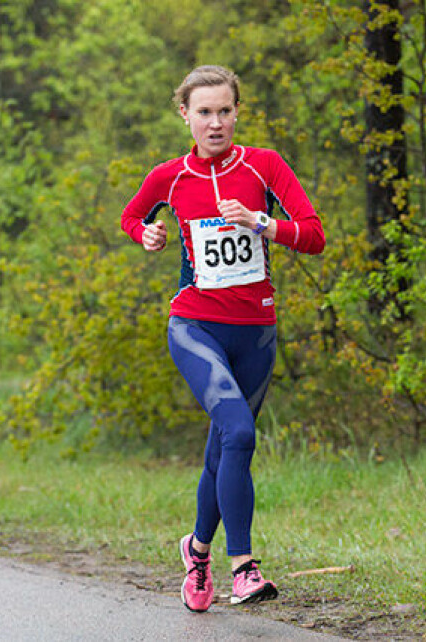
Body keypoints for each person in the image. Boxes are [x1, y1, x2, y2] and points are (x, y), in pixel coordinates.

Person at [121, 65, 325, 611]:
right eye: (204, 112)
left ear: (237, 113)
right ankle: (244, 568)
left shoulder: (264, 165)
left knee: (224, 448)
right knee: (239, 432)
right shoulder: (169, 177)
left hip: (256, 331)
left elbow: (314, 236)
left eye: (225, 111)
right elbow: (132, 216)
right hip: (195, 326)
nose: (215, 123)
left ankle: (196, 551)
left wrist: (263, 224)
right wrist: (147, 234)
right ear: (184, 115)